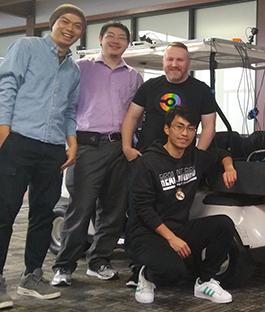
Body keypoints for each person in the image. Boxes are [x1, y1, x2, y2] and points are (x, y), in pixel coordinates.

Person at [0, 4, 86, 308]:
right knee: (4, 211)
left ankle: (32, 277)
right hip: (18, 140)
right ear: (53, 24)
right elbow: (6, 85)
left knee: (42, 213)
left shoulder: (74, 70)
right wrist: (3, 129)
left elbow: (69, 110)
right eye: (65, 22)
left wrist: (71, 142)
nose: (71, 29)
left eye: (77, 26)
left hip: (52, 148)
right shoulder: (27, 46)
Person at [51, 21, 143, 286]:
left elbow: (135, 115)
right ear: (100, 39)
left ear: (127, 44)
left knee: (113, 210)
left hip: (120, 147)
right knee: (80, 208)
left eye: (121, 37)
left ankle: (99, 261)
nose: (116, 41)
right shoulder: (81, 68)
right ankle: (64, 266)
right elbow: (64, 107)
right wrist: (68, 143)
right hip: (87, 146)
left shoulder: (134, 76)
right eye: (110, 36)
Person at [121, 41, 216, 286]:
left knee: (172, 212)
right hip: (146, 162)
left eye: (180, 60)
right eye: (169, 59)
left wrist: (195, 158)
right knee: (139, 213)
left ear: (188, 63)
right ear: (163, 62)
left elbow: (208, 127)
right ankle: (138, 269)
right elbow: (132, 117)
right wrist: (127, 148)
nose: (174, 64)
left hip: (180, 164)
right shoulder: (150, 86)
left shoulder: (201, 90)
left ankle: (167, 256)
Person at [129, 105, 237, 304]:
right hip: (146, 234)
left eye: (190, 128)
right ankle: (144, 275)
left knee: (224, 224)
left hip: (178, 228)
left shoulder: (194, 156)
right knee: (173, 273)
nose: (185, 133)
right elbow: (144, 209)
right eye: (179, 127)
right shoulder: (148, 162)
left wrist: (228, 167)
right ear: (167, 129)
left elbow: (220, 153)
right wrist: (172, 239)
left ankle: (205, 282)